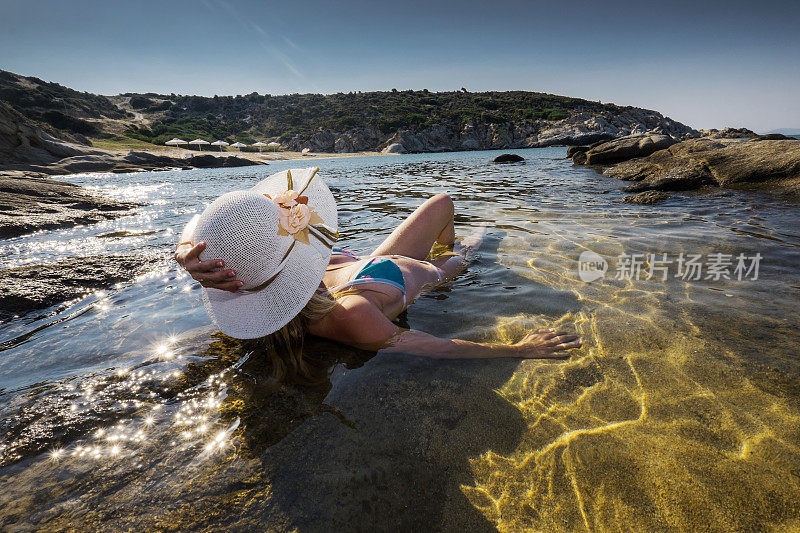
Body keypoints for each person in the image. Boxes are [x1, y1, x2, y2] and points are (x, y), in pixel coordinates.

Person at [174, 167, 581, 381]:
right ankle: (482, 235)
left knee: (441, 201)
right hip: (418, 274)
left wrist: (185, 257)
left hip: (356, 270)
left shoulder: (248, 270)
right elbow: (434, 347)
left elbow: (201, 232)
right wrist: (516, 350)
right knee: (470, 246)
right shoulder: (349, 317)